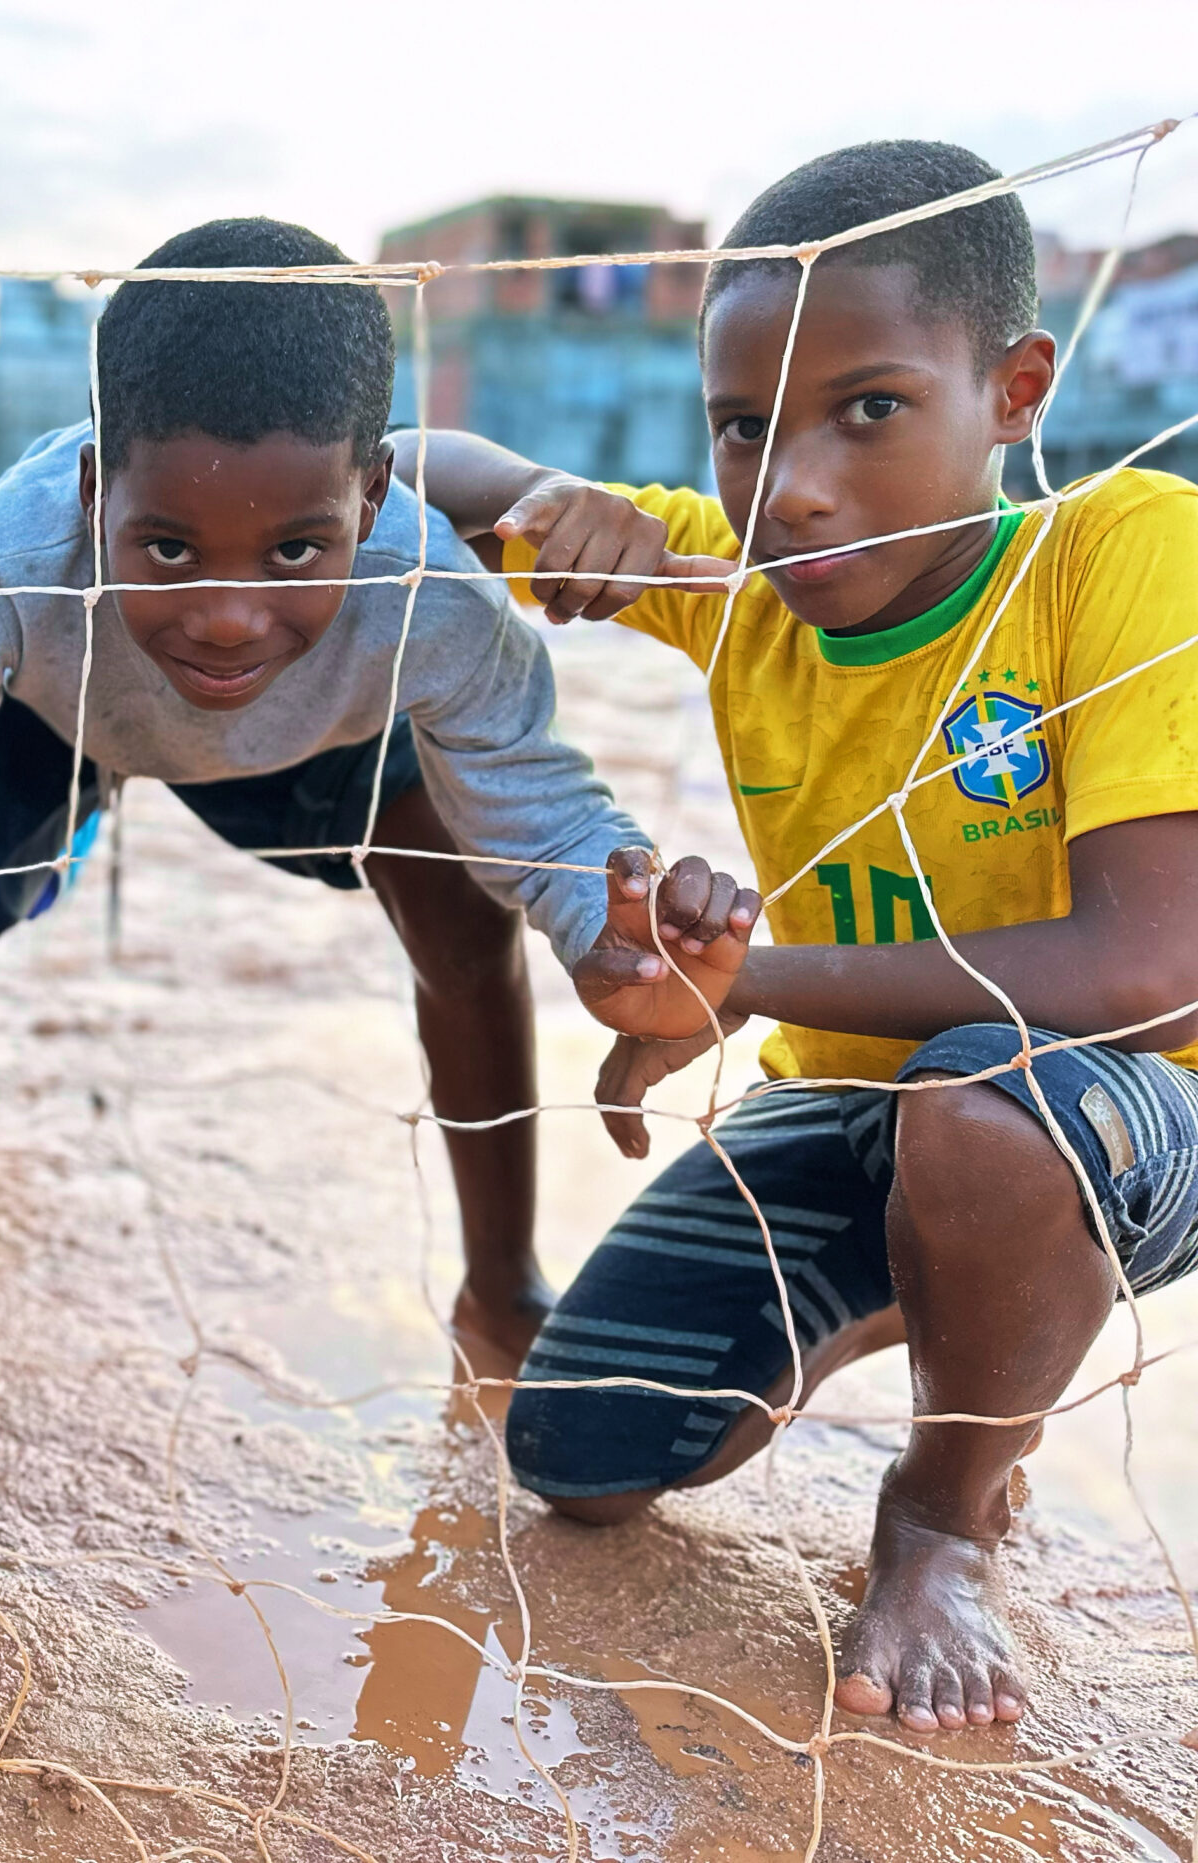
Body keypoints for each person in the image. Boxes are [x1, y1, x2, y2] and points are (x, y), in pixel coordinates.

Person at [419, 140, 1198, 1735]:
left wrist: (737, 981)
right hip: (864, 1108)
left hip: (1131, 1105)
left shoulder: (1120, 555)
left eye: (871, 408)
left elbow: (1148, 965)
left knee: (983, 1111)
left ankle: (945, 1504)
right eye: (739, 427)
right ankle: (952, 1274)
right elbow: (405, 451)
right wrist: (555, 505)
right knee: (578, 1451)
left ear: (1019, 389)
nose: (794, 485)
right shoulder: (742, 585)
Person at [0, 216, 655, 1387]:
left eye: (295, 549)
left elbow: (540, 807)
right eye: (171, 548)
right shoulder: (7, 560)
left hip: (315, 726)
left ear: (374, 494)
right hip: (56, 715)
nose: (229, 615)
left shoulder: (427, 591)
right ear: (93, 490)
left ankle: (500, 1282)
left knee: (463, 907)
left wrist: (618, 931)